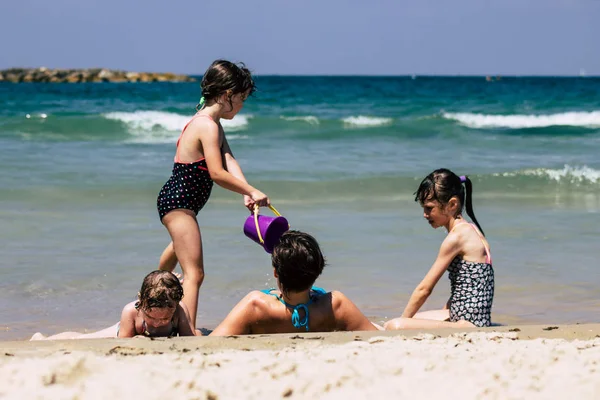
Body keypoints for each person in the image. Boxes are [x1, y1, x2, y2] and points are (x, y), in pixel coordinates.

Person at [156, 60, 271, 328]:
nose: (242, 106)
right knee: (195, 273)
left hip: (179, 202)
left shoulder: (212, 124)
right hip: (179, 203)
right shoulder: (206, 125)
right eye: (241, 99)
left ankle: (153, 288)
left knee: (180, 249)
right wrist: (251, 189)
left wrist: (246, 192)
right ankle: (188, 330)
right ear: (227, 94)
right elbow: (217, 173)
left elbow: (229, 159)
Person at [210, 230, 378, 335]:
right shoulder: (335, 305)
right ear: (318, 271)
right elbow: (374, 335)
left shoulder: (256, 305)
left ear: (276, 272)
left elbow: (215, 342)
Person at [385, 168, 494, 330]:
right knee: (407, 320)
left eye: (429, 208)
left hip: (468, 324)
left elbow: (424, 289)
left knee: (394, 325)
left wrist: (403, 322)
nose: (424, 214)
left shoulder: (456, 238)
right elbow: (470, 284)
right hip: (471, 317)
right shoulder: (472, 229)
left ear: (452, 204)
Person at [31, 270, 196, 340]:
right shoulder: (131, 311)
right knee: (81, 338)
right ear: (141, 302)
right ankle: (41, 339)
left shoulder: (179, 310)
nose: (158, 322)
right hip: (119, 331)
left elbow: (189, 339)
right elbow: (123, 341)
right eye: (152, 318)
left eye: (166, 318)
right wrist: (137, 338)